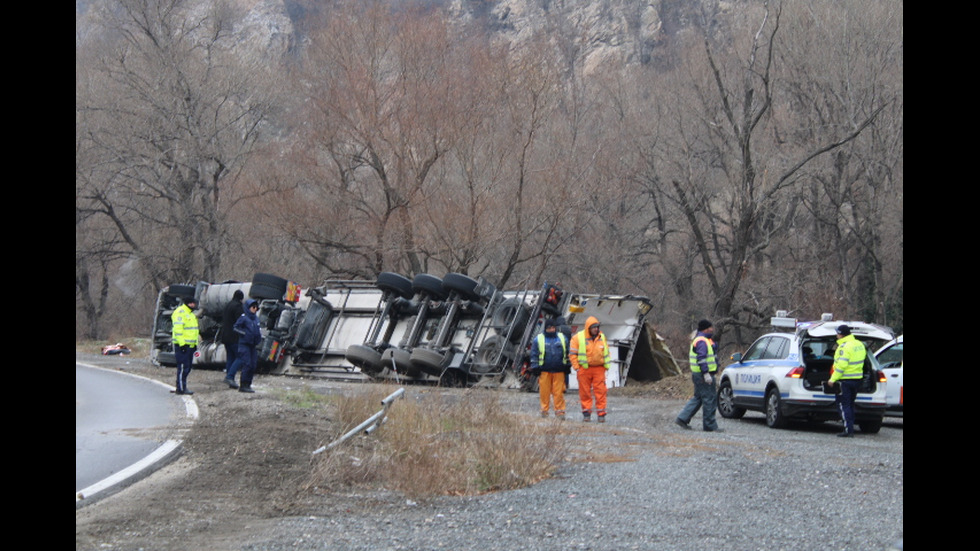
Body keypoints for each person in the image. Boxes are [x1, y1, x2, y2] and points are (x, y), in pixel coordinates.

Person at [675, 319, 722, 432]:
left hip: (698, 374)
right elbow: (701, 358)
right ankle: (710, 426)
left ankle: (682, 418)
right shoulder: (702, 341)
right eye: (710, 327)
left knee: (699, 398)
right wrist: (706, 374)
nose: (712, 329)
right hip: (703, 375)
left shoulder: (703, 339)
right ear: (706, 329)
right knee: (709, 398)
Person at [825, 324, 866, 437]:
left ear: (841, 334)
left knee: (843, 405)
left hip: (845, 381)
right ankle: (850, 428)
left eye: (837, 333)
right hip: (857, 379)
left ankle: (848, 430)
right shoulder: (859, 344)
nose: (836, 336)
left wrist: (832, 379)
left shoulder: (843, 347)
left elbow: (841, 366)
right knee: (850, 404)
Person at [569, 316, 611, 422]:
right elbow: (572, 354)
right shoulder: (577, 338)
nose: (596, 329)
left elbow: (607, 351)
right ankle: (586, 413)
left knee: (601, 392)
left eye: (597, 327)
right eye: (594, 327)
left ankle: (601, 414)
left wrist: (606, 365)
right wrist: (577, 368)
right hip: (584, 369)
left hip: (599, 369)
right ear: (588, 328)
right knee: (585, 392)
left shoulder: (602, 337)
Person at [531, 318, 569, 418]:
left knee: (559, 392)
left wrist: (568, 365)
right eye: (550, 328)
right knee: (544, 392)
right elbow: (534, 354)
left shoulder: (562, 338)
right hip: (544, 370)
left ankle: (560, 411)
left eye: (553, 327)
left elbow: (567, 352)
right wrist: (535, 367)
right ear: (546, 328)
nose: (552, 330)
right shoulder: (538, 339)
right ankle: (544, 410)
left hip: (559, 369)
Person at [171, 296, 200, 395]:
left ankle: (182, 386)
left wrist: (195, 344)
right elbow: (178, 330)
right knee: (183, 367)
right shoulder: (180, 312)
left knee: (188, 367)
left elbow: (194, 331)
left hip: (190, 345)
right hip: (182, 345)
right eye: (192, 303)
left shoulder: (191, 314)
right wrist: (182, 344)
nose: (194, 305)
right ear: (188, 303)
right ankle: (181, 388)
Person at [233, 299, 263, 393]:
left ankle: (248, 384)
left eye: (256, 307)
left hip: (253, 345)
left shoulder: (256, 318)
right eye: (253, 307)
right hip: (244, 344)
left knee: (253, 365)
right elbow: (235, 327)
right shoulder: (244, 318)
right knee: (247, 364)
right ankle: (243, 384)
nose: (255, 309)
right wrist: (244, 333)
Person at [221, 290, 245, 389]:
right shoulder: (238, 307)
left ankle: (229, 377)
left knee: (230, 357)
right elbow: (241, 322)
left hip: (225, 336)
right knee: (241, 357)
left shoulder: (228, 305)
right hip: (234, 336)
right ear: (241, 298)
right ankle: (230, 377)